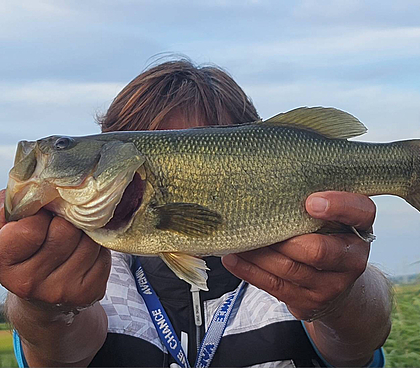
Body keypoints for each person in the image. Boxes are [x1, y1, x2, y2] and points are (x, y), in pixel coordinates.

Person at [0, 58, 392, 367]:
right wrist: (44, 309)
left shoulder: (297, 262)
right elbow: (59, 355)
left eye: (209, 142)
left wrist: (342, 301)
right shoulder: (87, 269)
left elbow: (358, 340)